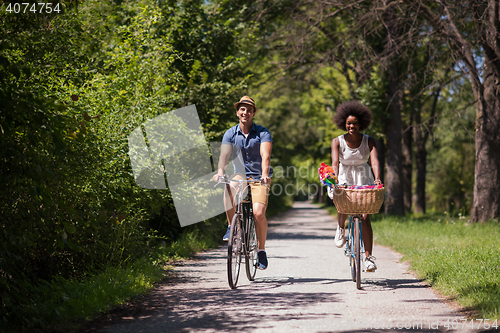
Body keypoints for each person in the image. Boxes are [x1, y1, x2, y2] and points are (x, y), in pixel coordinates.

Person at [213, 96, 273, 270]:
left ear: (254, 113)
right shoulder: (230, 133)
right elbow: (223, 156)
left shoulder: (263, 133)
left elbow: (265, 156)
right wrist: (220, 173)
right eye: (242, 109)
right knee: (229, 187)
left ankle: (261, 251)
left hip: (258, 176)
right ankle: (232, 227)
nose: (245, 112)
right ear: (237, 112)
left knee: (258, 213)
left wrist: (264, 174)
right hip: (239, 174)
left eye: (249, 109)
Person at [330, 100, 381, 272]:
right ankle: (341, 228)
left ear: (361, 124)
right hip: (345, 175)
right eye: (349, 123)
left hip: (364, 176)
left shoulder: (369, 140)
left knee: (365, 217)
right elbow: (335, 162)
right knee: (342, 203)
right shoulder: (337, 141)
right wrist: (335, 178)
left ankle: (368, 258)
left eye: (355, 123)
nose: (352, 126)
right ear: (344, 124)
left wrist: (377, 178)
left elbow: (374, 161)